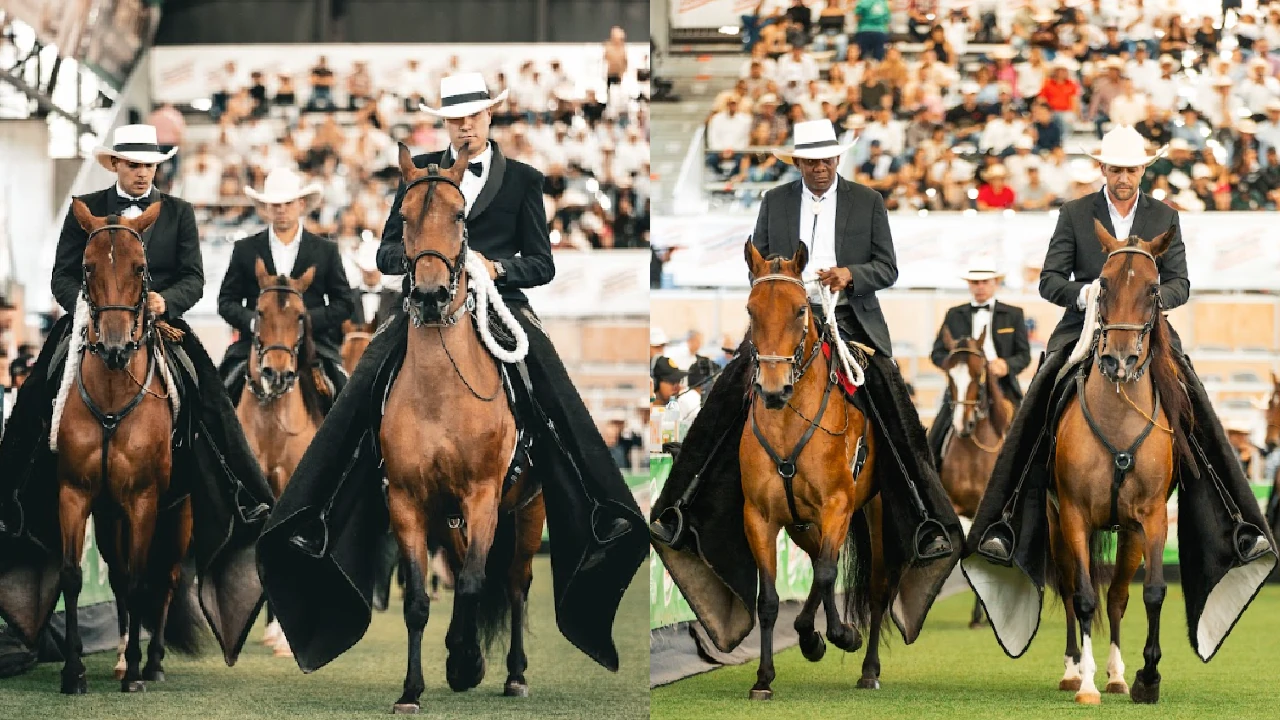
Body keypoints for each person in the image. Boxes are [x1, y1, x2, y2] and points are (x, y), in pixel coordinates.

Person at [255, 73, 647, 673]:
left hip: (502, 304)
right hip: (424, 301)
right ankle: (326, 505)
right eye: (454, 118)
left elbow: (541, 263)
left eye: (473, 117)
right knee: (362, 385)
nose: (463, 126)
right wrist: (420, 262)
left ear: (489, 117)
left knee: (550, 384)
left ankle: (591, 497)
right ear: (444, 124)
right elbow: (388, 251)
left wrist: (494, 267)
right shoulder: (421, 177)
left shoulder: (522, 181)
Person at [963, 126, 1274, 660]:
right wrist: (1087, 293)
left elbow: (1181, 282)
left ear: (1143, 171)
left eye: (1132, 169)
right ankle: (1010, 513)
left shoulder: (1164, 217)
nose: (1123, 176)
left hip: (1145, 326)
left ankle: (1236, 515)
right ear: (1103, 169)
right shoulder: (1074, 213)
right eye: (1115, 168)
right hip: (1088, 323)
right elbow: (1048, 281)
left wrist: (1152, 299)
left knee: (1191, 396)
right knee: (1043, 387)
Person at [652, 119, 960, 590]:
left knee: (891, 400)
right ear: (797, 163)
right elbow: (758, 264)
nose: (820, 167)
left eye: (826, 159)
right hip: (785, 323)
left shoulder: (868, 201)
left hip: (851, 318)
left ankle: (926, 516)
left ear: (838, 159)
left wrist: (849, 275)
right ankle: (681, 506)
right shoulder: (774, 201)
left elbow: (887, 267)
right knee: (726, 394)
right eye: (811, 160)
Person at [0, 124, 273, 653]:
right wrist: (86, 307)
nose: (142, 169)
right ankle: (16, 483)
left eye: (149, 163)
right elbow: (60, 274)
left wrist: (163, 302)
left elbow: (193, 277)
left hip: (155, 323)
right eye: (132, 162)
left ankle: (227, 481)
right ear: (115, 166)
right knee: (45, 378)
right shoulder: (86, 207)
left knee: (202, 385)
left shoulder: (178, 213)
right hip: (93, 319)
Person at [217, 168, 354, 408]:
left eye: (287, 203)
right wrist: (255, 321)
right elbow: (226, 301)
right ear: (266, 208)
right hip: (254, 344)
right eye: (275, 204)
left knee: (346, 397)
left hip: (314, 346)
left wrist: (305, 321)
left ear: (301, 204)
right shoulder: (245, 249)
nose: (281, 210)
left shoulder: (325, 250)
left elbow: (344, 302)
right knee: (219, 394)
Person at [925, 260, 1031, 466]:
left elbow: (1023, 355)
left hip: (1003, 387)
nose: (980, 286)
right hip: (963, 388)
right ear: (969, 285)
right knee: (935, 436)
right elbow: (937, 353)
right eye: (975, 282)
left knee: (1029, 433)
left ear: (995, 283)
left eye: (984, 282)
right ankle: (929, 483)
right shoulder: (954, 314)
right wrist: (956, 366)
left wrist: (1007, 365)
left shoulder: (1013, 314)